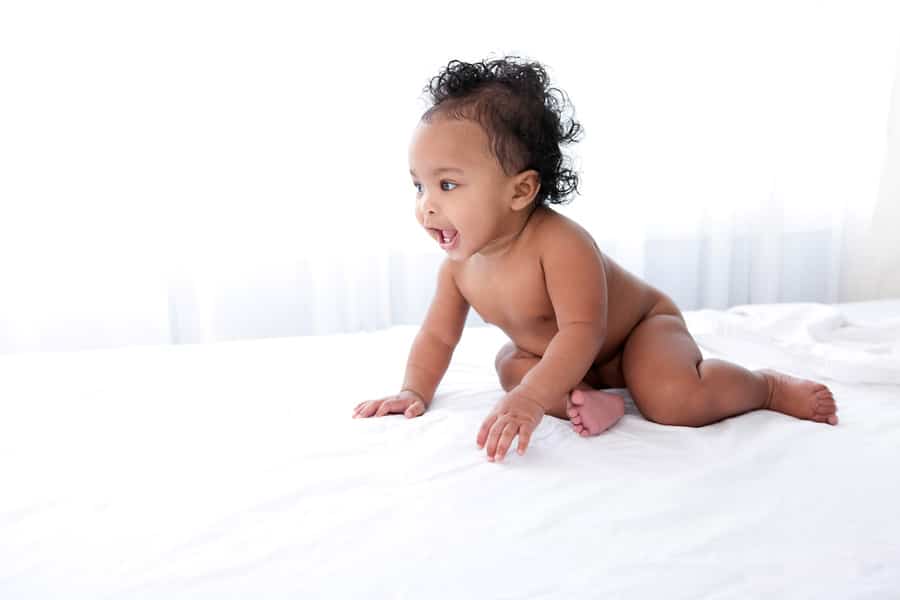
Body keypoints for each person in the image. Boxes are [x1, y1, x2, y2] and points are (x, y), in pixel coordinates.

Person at [353, 56, 839, 462]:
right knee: (510, 366)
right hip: (569, 362)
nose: (426, 204)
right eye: (419, 185)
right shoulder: (459, 268)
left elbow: (583, 331)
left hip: (635, 337)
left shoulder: (560, 243)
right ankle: (594, 401)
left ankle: (766, 388)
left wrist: (531, 400)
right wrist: (413, 391)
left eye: (448, 185)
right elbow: (438, 336)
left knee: (673, 401)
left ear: (521, 190)